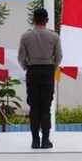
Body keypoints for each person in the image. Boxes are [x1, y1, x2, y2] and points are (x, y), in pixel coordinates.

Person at [18, 8, 62, 149]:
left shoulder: (26, 36)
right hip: (47, 72)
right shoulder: (54, 37)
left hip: (32, 72)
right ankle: (46, 140)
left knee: (34, 106)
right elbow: (59, 56)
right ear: (47, 20)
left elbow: (21, 57)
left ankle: (35, 140)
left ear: (33, 20)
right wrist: (51, 68)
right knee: (45, 107)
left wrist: (27, 67)